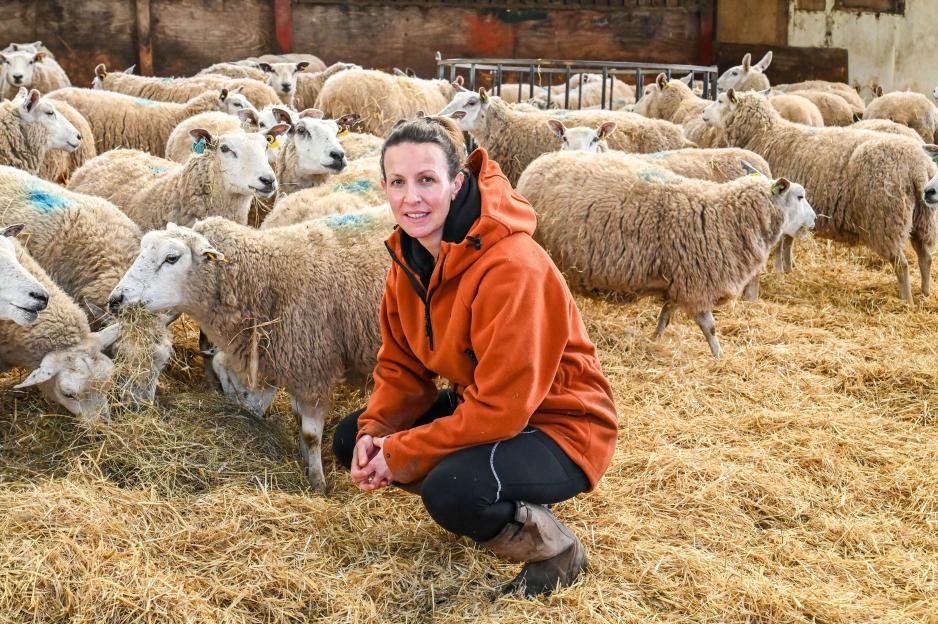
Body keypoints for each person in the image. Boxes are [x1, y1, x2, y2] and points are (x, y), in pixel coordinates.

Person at [331, 116, 618, 597]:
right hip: (483, 409)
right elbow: (401, 367)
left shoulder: (512, 266)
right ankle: (493, 498)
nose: (412, 198)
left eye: (427, 180)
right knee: (349, 438)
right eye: (398, 183)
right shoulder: (410, 258)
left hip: (561, 425)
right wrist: (377, 433)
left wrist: (402, 453)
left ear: (456, 182)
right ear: (383, 186)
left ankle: (554, 547)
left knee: (453, 489)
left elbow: (504, 409)